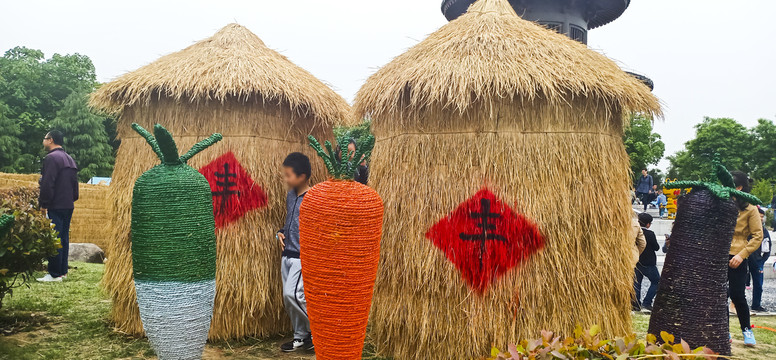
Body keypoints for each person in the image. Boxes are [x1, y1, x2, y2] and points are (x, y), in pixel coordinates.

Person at [277, 152, 314, 352]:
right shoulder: (291, 195)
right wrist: (280, 233)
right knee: (288, 299)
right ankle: (300, 337)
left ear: (302, 177)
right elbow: (289, 222)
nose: (285, 179)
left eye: (288, 175)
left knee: (294, 295)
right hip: (287, 254)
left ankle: (319, 331)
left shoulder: (314, 198)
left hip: (302, 256)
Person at [36, 130, 78, 282]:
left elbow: (48, 183)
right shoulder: (69, 159)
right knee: (64, 238)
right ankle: (62, 271)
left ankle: (54, 274)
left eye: (44, 138)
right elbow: (75, 185)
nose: (44, 141)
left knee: (54, 238)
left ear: (50, 140)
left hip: (55, 204)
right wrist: (72, 199)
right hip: (68, 205)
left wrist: (43, 204)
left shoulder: (51, 158)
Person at [728, 171, 763, 347]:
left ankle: (746, 330)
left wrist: (742, 255)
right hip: (717, 255)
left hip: (738, 256)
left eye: (729, 183)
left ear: (739, 187)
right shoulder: (721, 203)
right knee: (718, 296)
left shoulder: (750, 208)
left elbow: (758, 236)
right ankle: (722, 330)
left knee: (737, 295)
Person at [633, 213, 660, 312]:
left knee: (637, 283)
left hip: (636, 261)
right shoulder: (650, 234)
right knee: (656, 281)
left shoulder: (633, 231)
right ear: (648, 224)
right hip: (649, 263)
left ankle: (635, 304)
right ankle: (647, 302)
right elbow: (656, 247)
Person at [748, 207, 771, 312]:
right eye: (759, 216)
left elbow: (768, 248)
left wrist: (761, 262)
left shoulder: (764, 231)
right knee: (738, 284)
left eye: (762, 217)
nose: (761, 218)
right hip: (745, 260)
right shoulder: (747, 229)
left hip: (757, 262)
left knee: (758, 285)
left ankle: (756, 305)